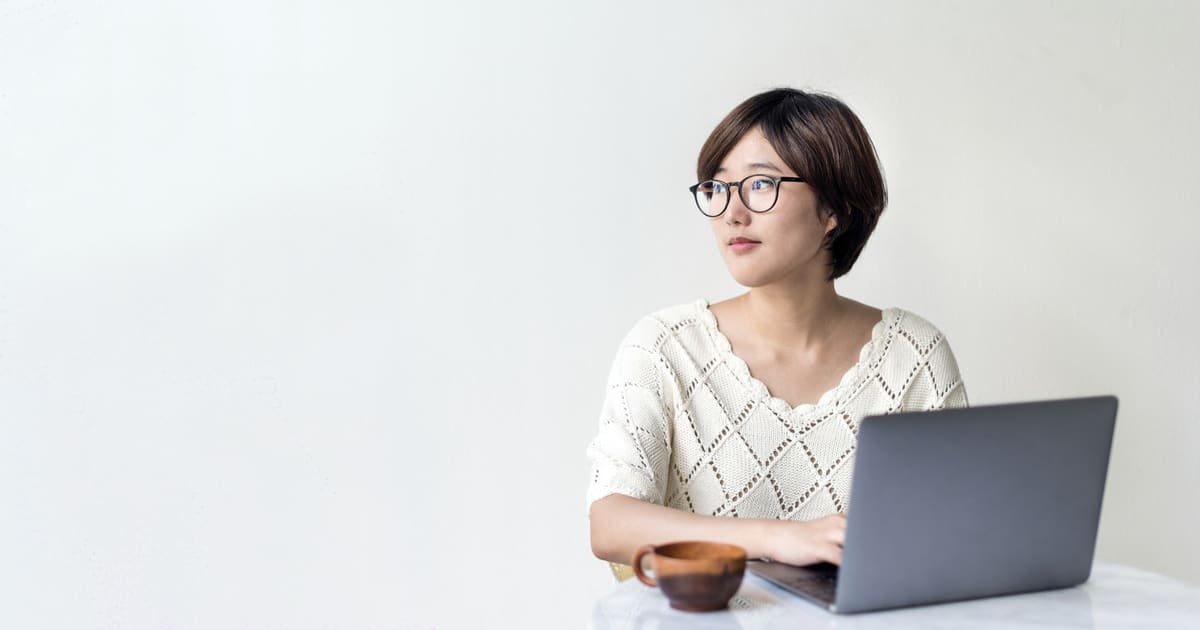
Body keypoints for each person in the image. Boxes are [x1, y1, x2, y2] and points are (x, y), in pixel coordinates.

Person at [586, 88, 969, 570]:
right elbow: (611, 524)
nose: (731, 212)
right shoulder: (665, 347)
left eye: (760, 184)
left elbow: (951, 529)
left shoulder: (913, 354)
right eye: (716, 187)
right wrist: (780, 538)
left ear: (834, 210)